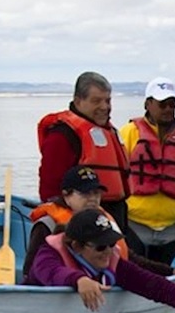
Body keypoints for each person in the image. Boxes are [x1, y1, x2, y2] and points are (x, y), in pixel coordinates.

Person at [27, 209, 175, 313]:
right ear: (76, 246)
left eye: (111, 244)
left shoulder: (112, 262)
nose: (108, 251)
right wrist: (79, 280)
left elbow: (152, 284)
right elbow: (52, 272)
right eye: (100, 246)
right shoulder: (48, 254)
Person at [119, 77, 175, 267]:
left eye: (172, 104)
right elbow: (113, 176)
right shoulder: (127, 134)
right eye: (162, 104)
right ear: (148, 104)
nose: (168, 109)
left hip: (170, 231)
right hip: (133, 225)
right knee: (137, 273)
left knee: (161, 275)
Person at [36, 71, 130, 233]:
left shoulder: (109, 132)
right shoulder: (62, 136)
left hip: (112, 220)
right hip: (83, 229)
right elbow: (50, 192)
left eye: (107, 101)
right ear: (78, 101)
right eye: (96, 101)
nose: (105, 107)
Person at [22, 164, 109, 276]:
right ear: (66, 196)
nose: (93, 199)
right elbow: (30, 270)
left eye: (96, 193)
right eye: (85, 193)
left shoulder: (102, 222)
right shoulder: (47, 226)